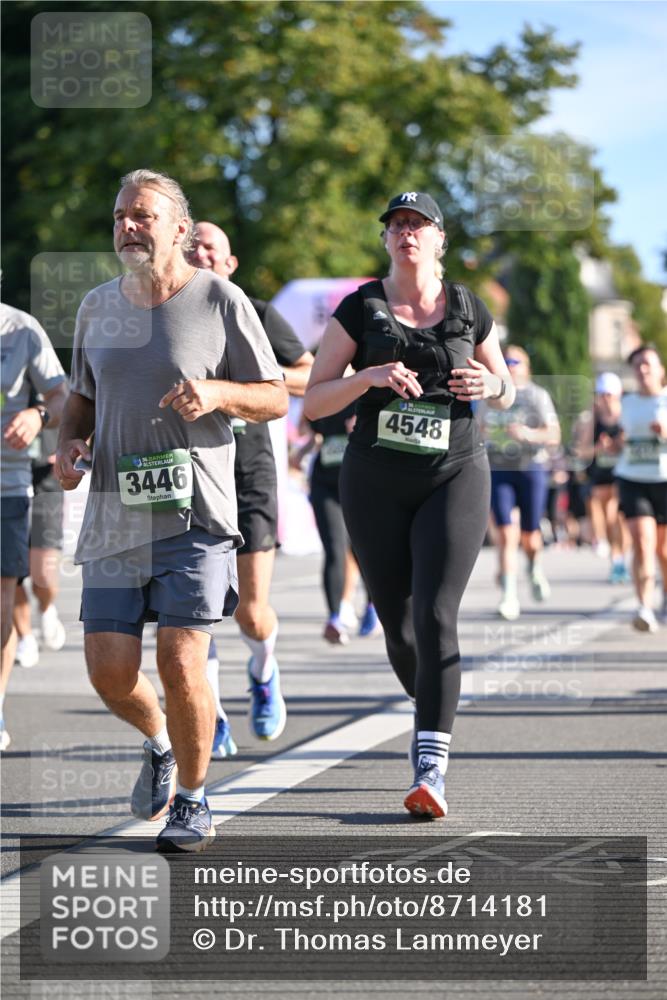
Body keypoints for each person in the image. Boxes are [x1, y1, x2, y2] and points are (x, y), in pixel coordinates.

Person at [55, 170, 287, 852]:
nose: (129, 225)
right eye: (122, 214)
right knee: (109, 672)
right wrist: (71, 446)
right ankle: (157, 742)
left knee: (182, 659)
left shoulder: (220, 299)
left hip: (197, 514)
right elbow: (82, 400)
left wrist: (218, 392)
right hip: (114, 514)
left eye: (143, 216)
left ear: (179, 229)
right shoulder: (97, 307)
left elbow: (273, 396)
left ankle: (192, 796)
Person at [304, 190, 514, 819]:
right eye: (396, 226)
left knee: (436, 611)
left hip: (454, 472)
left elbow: (504, 387)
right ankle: (434, 705)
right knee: (396, 624)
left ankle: (430, 766)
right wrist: (366, 377)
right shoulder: (360, 309)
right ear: (386, 241)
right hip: (374, 479)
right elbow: (314, 401)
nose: (407, 234)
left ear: (440, 241)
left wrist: (492, 383)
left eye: (418, 225)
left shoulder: (469, 308)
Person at [189, 221, 314, 753]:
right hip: (190, 471)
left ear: (230, 262)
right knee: (194, 608)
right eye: (190, 244)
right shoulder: (161, 317)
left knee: (251, 611)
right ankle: (211, 714)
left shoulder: (257, 312)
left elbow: (309, 375)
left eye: (210, 246)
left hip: (251, 471)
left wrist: (238, 386)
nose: (200, 252)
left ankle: (264, 674)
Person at [1, 302, 67, 749]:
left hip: (8, 484)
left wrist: (38, 415)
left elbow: (63, 395)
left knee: (16, 587)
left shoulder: (22, 329)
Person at [477, 345, 561, 621]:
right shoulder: (489, 395)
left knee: (530, 535)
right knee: (504, 533)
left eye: (516, 361)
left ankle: (534, 565)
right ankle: (509, 596)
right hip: (499, 467)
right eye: (506, 360)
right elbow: (476, 430)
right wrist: (484, 435)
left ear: (526, 367)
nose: (511, 366)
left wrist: (527, 434)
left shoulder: (537, 395)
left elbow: (554, 434)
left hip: (530, 468)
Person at [296, 404, 380, 644]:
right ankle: (334, 617)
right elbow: (310, 432)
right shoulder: (324, 391)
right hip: (326, 485)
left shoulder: (367, 390)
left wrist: (365, 428)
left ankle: (373, 607)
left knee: (362, 549)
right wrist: (301, 453)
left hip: (359, 482)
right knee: (334, 548)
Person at [612, 344, 667, 632]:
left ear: (661, 370)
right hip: (632, 478)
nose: (642, 369)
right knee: (643, 543)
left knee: (664, 550)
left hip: (664, 479)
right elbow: (618, 435)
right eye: (637, 366)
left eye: (647, 363)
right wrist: (616, 442)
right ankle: (644, 606)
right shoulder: (627, 402)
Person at [14, 424, 68, 668]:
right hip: (8, 479)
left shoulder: (56, 385)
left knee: (43, 574)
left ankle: (46, 609)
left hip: (47, 478)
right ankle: (25, 637)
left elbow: (86, 407)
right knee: (8, 574)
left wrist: (73, 445)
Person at [577, 372, 630, 582]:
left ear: (618, 394)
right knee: (607, 519)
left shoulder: (626, 416)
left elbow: (631, 445)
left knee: (616, 516)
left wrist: (618, 446)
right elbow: (582, 451)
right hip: (599, 475)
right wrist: (599, 448)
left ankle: (621, 558)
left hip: (622, 473)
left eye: (609, 394)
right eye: (601, 394)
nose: (605, 399)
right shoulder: (592, 418)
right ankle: (616, 559)